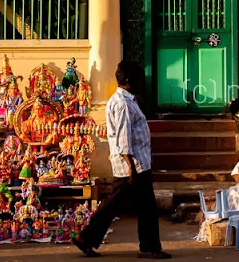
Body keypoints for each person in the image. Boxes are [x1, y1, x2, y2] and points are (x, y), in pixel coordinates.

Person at [72, 61, 170, 259]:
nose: (142, 83)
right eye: (139, 79)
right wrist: (131, 167)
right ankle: (89, 238)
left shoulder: (127, 100)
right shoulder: (123, 104)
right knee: (125, 204)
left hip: (135, 162)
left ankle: (89, 238)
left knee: (133, 204)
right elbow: (123, 138)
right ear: (128, 81)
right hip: (133, 164)